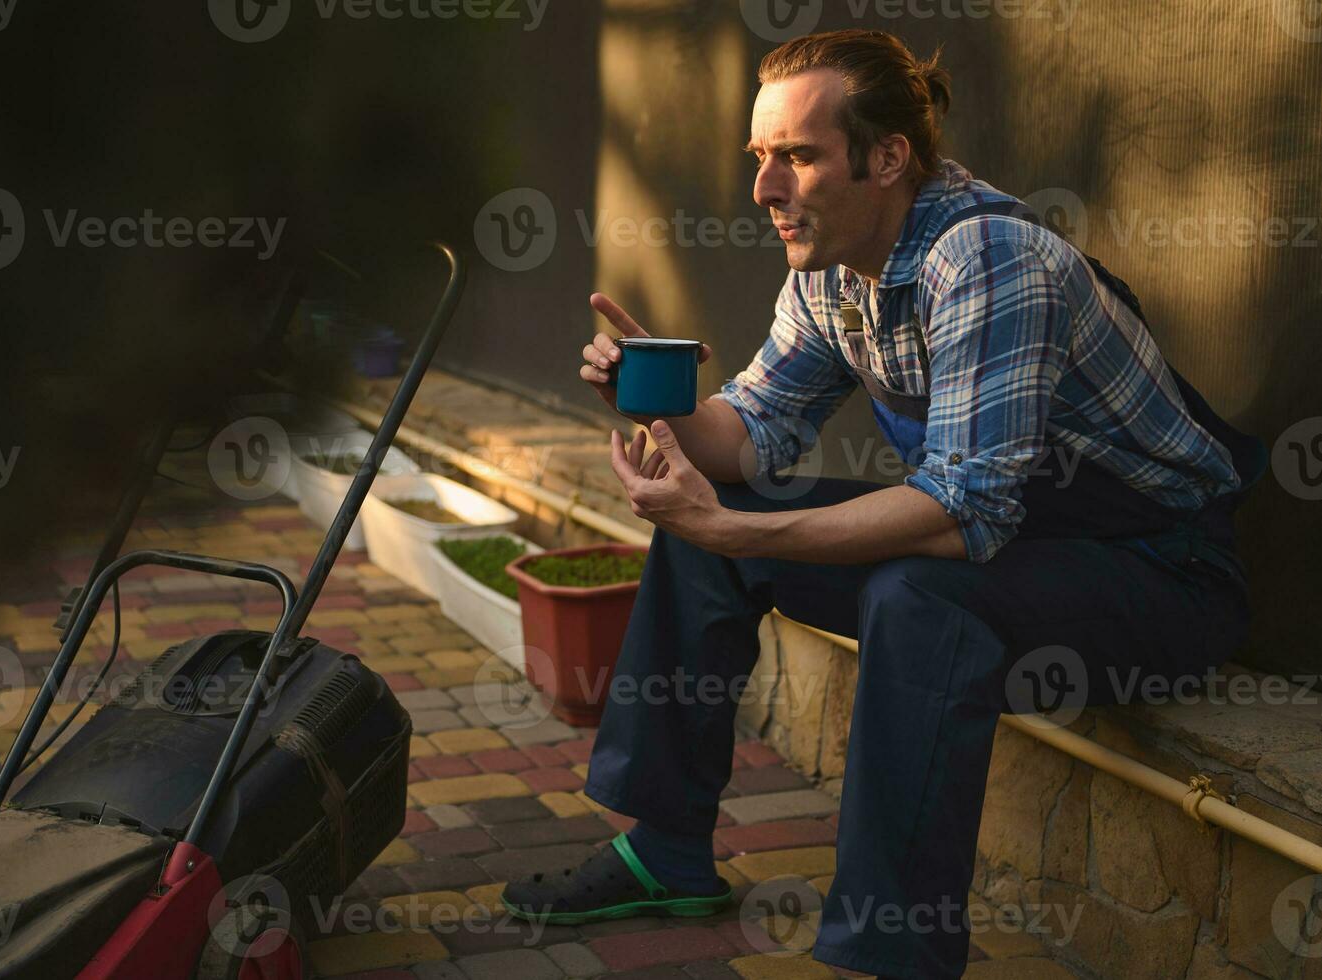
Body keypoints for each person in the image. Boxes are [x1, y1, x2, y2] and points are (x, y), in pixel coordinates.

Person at [501, 28, 1260, 979]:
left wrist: (739, 527)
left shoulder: (985, 258)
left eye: (797, 157)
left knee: (912, 595)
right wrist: (653, 404)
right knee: (707, 538)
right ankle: (665, 852)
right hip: (1020, 539)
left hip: (1160, 573)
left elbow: (960, 513)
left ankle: (895, 953)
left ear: (887, 156)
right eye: (758, 158)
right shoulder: (829, 270)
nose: (763, 190)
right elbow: (751, 434)